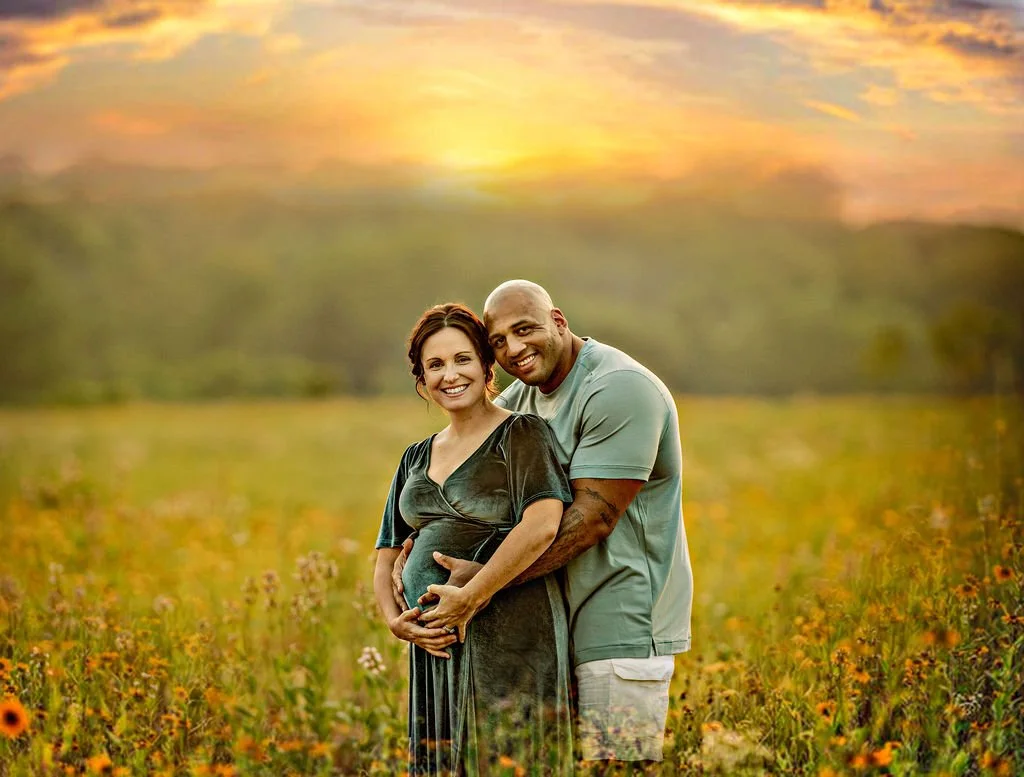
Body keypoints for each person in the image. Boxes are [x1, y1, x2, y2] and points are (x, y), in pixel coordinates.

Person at [399, 281, 694, 767]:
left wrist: (482, 584)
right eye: (498, 341)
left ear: (558, 321)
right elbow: (475, 481)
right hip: (546, 625)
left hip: (618, 619)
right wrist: (412, 546)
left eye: (525, 329)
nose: (514, 348)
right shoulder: (523, 400)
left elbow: (590, 520)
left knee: (617, 765)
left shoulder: (618, 388)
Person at [373, 302, 575, 776]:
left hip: (510, 634)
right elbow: (385, 555)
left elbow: (543, 523)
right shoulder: (415, 456)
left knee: (508, 756)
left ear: (487, 365)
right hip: (434, 644)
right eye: (435, 365)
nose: (450, 375)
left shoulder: (522, 434)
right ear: (421, 379)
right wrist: (394, 620)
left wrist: (470, 596)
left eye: (462, 359)